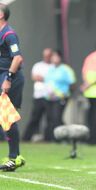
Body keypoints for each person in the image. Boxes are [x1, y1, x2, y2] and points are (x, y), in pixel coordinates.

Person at [0, 3, 25, 171]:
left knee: (7, 117)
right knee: (3, 117)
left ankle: (14, 157)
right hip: (3, 76)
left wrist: (8, 78)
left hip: (10, 78)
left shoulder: (9, 34)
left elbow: (18, 58)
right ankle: (15, 155)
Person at [44, 50, 76, 141]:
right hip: (49, 98)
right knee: (50, 118)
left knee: (57, 117)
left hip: (61, 98)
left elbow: (72, 84)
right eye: (53, 56)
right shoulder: (50, 69)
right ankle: (52, 138)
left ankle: (61, 138)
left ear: (60, 58)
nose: (54, 58)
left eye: (56, 56)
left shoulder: (66, 69)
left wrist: (66, 95)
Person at [22, 48, 52, 141]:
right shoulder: (38, 65)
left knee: (50, 119)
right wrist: (48, 78)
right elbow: (35, 77)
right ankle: (26, 138)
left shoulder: (53, 67)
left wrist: (46, 78)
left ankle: (48, 138)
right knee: (35, 118)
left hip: (50, 96)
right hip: (39, 96)